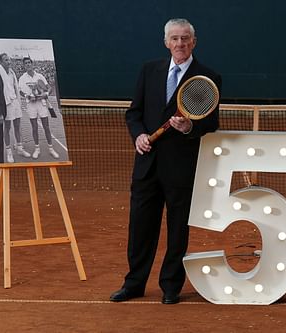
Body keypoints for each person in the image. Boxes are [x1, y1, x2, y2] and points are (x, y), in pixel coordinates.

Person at [110, 18, 222, 304]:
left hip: (181, 170)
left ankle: (170, 287)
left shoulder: (207, 77)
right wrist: (138, 136)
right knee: (140, 228)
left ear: (193, 42)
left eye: (185, 39)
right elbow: (133, 113)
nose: (180, 44)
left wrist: (189, 128)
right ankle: (133, 284)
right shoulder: (149, 71)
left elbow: (210, 123)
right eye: (174, 39)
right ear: (166, 42)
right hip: (146, 167)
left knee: (177, 230)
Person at [18, 57, 59, 159]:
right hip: (31, 105)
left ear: (32, 64)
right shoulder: (22, 78)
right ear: (24, 66)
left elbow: (48, 88)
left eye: (29, 63)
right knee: (34, 127)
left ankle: (51, 148)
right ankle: (37, 148)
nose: (27, 64)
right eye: (25, 63)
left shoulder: (40, 76)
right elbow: (20, 91)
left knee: (46, 127)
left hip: (42, 104)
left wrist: (45, 94)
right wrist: (27, 96)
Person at [0, 53, 31, 162]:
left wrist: (18, 100)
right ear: (1, 61)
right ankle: (9, 152)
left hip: (15, 102)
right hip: (6, 104)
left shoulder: (12, 72)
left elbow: (15, 88)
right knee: (7, 128)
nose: (9, 62)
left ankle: (19, 148)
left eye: (9, 60)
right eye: (6, 60)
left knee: (17, 126)